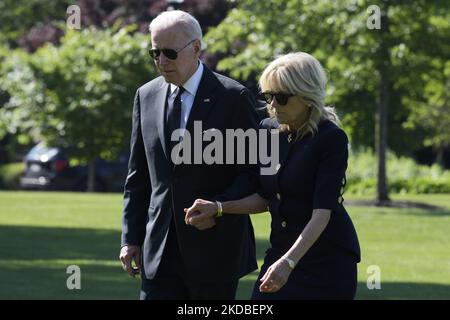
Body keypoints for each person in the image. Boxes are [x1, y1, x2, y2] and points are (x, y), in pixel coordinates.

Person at [185, 52, 361, 300]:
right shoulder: (268, 131)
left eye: (281, 97)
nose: (273, 105)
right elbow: (265, 196)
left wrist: (288, 263)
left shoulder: (331, 139)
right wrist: (219, 207)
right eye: (268, 96)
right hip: (281, 251)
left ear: (307, 96)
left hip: (327, 261)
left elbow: (322, 212)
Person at [119, 10, 259, 300]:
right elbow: (139, 176)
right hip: (158, 250)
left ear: (196, 48)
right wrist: (130, 238)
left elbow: (253, 172)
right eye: (154, 53)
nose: (161, 61)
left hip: (215, 249)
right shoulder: (145, 96)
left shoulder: (234, 97)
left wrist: (218, 208)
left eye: (169, 53)